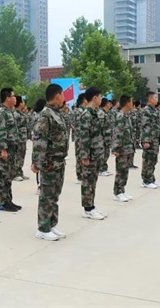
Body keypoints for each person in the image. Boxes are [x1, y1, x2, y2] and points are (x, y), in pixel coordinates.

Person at [31, 84, 69, 241]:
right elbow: (40, 140)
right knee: (47, 195)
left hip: (59, 161)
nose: (63, 98)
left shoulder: (57, 114)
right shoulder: (45, 115)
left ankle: (52, 224)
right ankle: (43, 228)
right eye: (62, 94)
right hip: (49, 162)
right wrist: (36, 163)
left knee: (55, 194)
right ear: (57, 95)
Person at [78, 87, 106, 220]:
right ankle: (88, 208)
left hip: (96, 152)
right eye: (100, 96)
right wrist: (84, 155)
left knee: (93, 181)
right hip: (89, 154)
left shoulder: (95, 113)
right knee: (88, 181)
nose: (101, 99)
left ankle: (91, 205)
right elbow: (84, 137)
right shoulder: (86, 115)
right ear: (95, 97)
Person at [0, 88, 20, 212]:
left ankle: (9, 200)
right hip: (5, 148)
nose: (15, 98)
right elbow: (1, 132)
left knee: (9, 175)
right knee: (3, 175)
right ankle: (3, 202)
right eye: (13, 96)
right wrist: (3, 149)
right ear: (7, 98)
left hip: (12, 148)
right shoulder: (1, 113)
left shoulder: (10, 112)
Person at [111, 95, 135, 202]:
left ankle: (122, 190)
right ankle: (118, 192)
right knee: (120, 171)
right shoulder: (120, 116)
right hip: (121, 149)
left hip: (128, 148)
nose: (132, 104)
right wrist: (116, 149)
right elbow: (117, 133)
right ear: (127, 103)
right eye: (131, 102)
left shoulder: (126, 116)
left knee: (125, 171)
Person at [141, 91, 160, 189]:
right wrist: (146, 140)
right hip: (149, 139)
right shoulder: (146, 110)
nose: (157, 99)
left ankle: (151, 179)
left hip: (155, 138)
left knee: (153, 159)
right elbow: (145, 125)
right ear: (150, 99)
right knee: (148, 160)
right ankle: (146, 180)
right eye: (155, 97)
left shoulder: (154, 110)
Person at [98, 98, 113, 177]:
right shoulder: (101, 113)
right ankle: (101, 169)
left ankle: (104, 168)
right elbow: (101, 126)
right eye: (108, 103)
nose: (110, 104)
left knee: (106, 154)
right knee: (103, 154)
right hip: (103, 138)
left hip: (107, 137)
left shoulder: (106, 113)